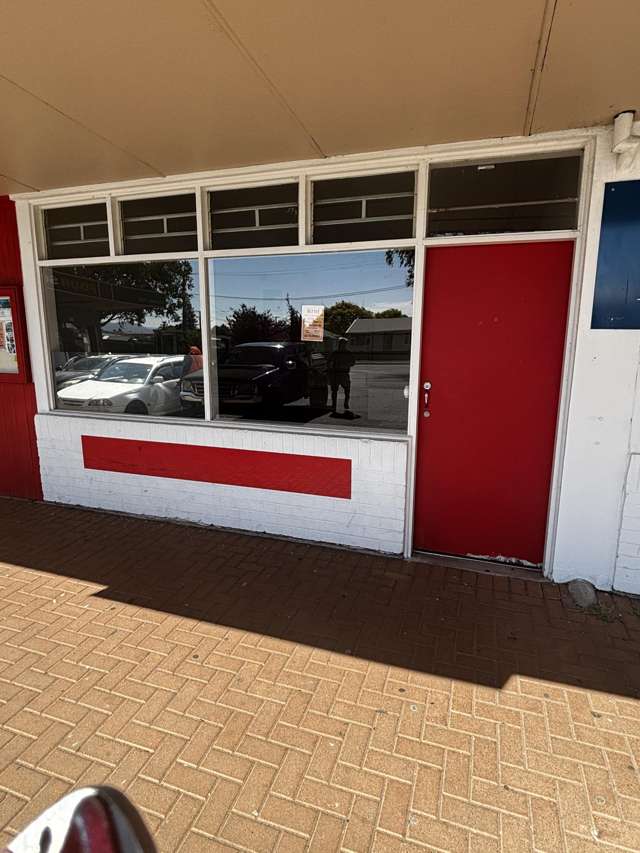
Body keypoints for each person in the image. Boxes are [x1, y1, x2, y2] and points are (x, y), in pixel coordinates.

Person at [327, 337, 355, 413]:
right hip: (336, 374)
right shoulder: (336, 353)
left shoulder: (347, 353)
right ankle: (334, 404)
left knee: (346, 390)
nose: (342, 345)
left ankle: (345, 403)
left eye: (343, 344)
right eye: (341, 343)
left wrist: (346, 364)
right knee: (335, 390)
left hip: (343, 373)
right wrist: (331, 369)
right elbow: (329, 362)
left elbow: (353, 362)